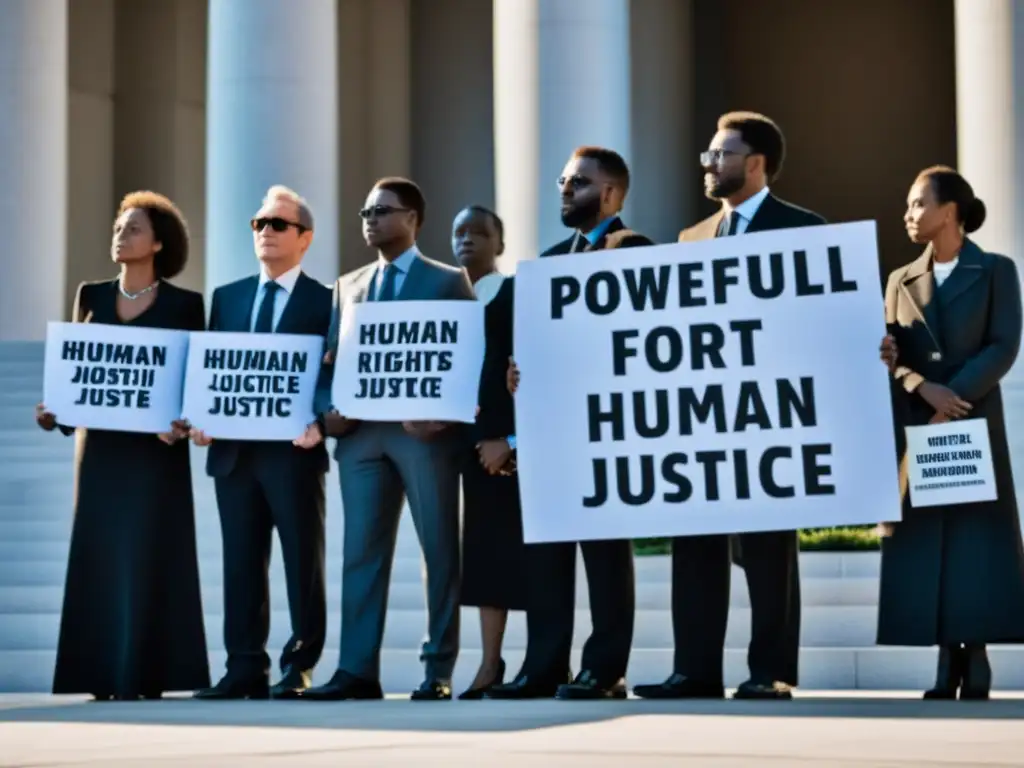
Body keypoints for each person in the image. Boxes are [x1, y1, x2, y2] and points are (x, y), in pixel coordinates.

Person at [633, 111, 826, 702]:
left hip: (767, 417)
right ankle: (693, 669)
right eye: (708, 156)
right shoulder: (691, 239)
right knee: (694, 547)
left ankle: (771, 670)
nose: (709, 165)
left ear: (757, 162)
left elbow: (823, 322)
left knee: (768, 550)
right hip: (701, 421)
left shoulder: (804, 229)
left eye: (721, 154)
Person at [302, 177, 474, 702]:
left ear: (413, 219)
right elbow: (329, 362)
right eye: (365, 211)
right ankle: (356, 670)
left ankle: (437, 669)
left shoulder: (449, 281)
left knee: (439, 550)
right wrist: (326, 411)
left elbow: (466, 358)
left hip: (421, 438)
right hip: (359, 440)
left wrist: (444, 416)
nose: (370, 219)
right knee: (360, 555)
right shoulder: (346, 285)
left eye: (382, 210)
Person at [489, 146, 652, 701]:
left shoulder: (633, 249)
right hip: (550, 434)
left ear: (610, 193)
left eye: (578, 182)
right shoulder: (549, 261)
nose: (564, 189)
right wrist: (521, 375)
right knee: (547, 558)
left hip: (605, 430)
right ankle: (542, 668)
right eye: (562, 180)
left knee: (605, 557)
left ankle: (605, 670)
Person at [37, 191, 210, 700]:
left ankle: (148, 674)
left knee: (152, 555)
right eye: (118, 226)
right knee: (100, 555)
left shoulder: (186, 305)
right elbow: (76, 377)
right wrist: (54, 413)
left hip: (155, 457)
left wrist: (181, 423)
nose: (120, 234)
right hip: (101, 455)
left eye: (132, 228)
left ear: (158, 243)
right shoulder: (89, 295)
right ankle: (98, 674)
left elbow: (191, 388)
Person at [877, 165, 1024, 700]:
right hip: (919, 421)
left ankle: (977, 657)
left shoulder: (996, 270)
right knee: (929, 541)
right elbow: (890, 354)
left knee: (974, 541)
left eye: (918, 203)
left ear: (951, 211)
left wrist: (953, 398)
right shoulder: (899, 279)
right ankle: (945, 661)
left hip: (972, 421)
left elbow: (1004, 345)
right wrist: (920, 386)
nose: (909, 214)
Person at [192, 185, 333, 701]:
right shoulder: (227, 297)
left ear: (305, 238)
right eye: (259, 224)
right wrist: (202, 417)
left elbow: (332, 370)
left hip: (294, 452)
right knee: (241, 564)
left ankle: (299, 664)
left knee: (302, 563)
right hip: (234, 455)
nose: (266, 232)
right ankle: (243, 666)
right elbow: (212, 371)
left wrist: (320, 416)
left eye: (278, 224)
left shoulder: (328, 300)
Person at [449, 205, 527, 699]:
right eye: (459, 232)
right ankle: (489, 663)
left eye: (480, 233)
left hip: (507, 449)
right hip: (459, 445)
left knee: (518, 556)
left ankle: (540, 660)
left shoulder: (517, 294)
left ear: (499, 244)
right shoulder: (443, 299)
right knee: (480, 559)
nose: (467, 240)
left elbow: (529, 369)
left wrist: (513, 440)